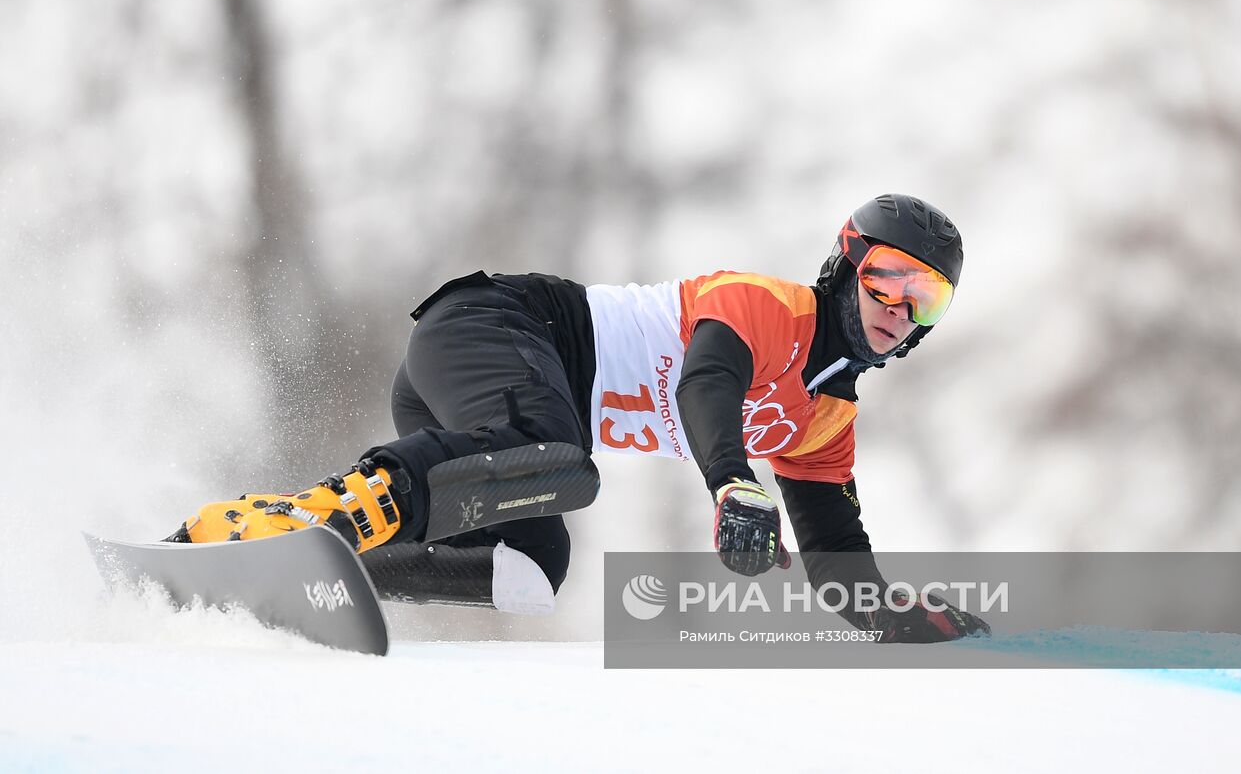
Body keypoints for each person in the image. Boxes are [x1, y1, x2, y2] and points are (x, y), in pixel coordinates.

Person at [174, 193, 988, 640]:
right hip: (493, 326)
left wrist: (901, 622)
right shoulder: (774, 307)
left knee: (532, 570)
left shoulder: (827, 421)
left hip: (486, 427)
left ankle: (318, 570)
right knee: (564, 460)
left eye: (928, 298)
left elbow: (838, 558)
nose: (899, 307)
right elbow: (705, 382)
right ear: (846, 266)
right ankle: (287, 520)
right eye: (887, 278)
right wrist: (733, 485)